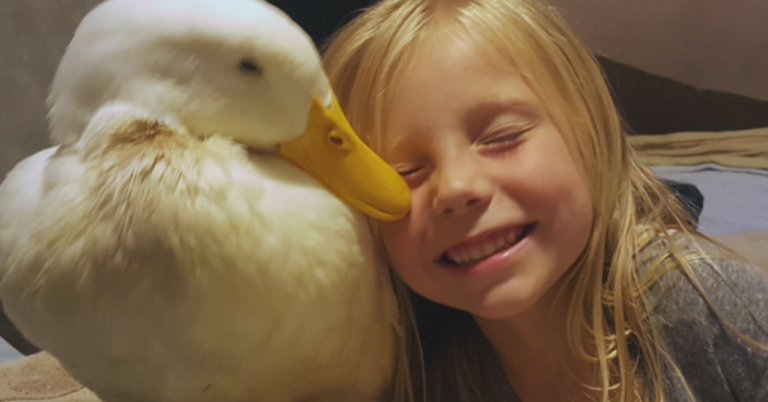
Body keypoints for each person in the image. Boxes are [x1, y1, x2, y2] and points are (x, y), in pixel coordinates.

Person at [320, 0, 768, 401]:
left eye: (502, 137)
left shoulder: (716, 308)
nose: (455, 188)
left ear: (593, 133)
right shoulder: (419, 369)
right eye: (404, 173)